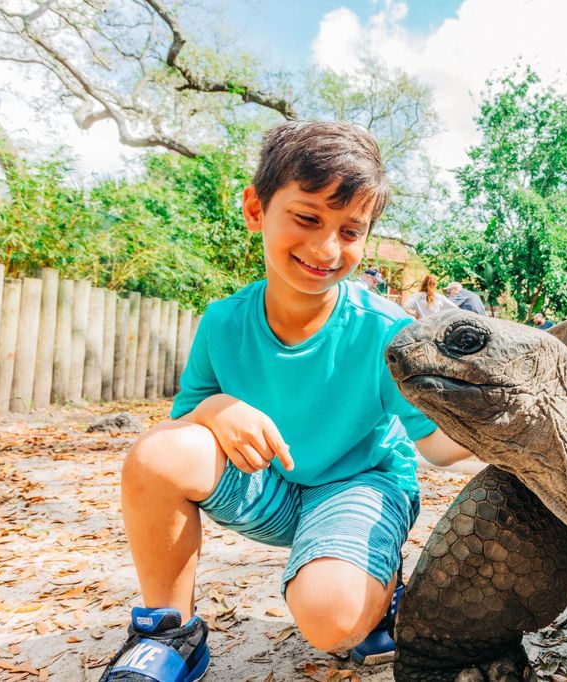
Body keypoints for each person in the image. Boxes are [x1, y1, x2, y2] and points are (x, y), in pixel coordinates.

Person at [100, 121, 473, 682]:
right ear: (256, 209)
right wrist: (216, 409)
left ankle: (379, 580)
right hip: (270, 486)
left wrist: (525, 430)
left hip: (359, 485)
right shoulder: (223, 322)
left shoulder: (386, 332)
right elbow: (184, 427)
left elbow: (440, 448)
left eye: (351, 230)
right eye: (307, 218)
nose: (327, 248)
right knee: (156, 455)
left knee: (332, 621)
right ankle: (169, 632)